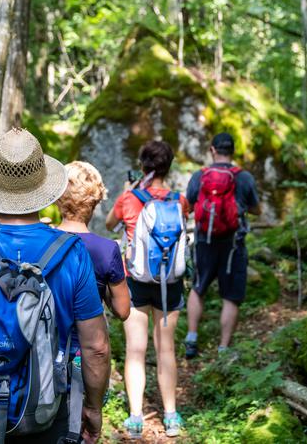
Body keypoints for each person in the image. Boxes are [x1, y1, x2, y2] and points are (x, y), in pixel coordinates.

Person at [0, 128, 110, 444]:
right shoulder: (72, 252)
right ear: (45, 185)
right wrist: (93, 409)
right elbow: (96, 346)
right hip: (47, 412)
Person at [105, 141, 189, 439]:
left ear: (143, 166)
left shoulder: (129, 198)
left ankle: (136, 418)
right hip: (171, 283)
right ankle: (171, 416)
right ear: (169, 166)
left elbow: (109, 223)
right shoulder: (179, 200)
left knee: (135, 350)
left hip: (136, 281)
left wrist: (129, 189)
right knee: (166, 348)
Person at [184, 132, 261, 359]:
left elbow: (188, 205)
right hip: (233, 246)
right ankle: (223, 349)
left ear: (212, 150)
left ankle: (191, 338)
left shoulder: (200, 176)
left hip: (203, 242)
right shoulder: (244, 178)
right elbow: (257, 209)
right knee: (231, 296)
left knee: (198, 288)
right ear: (233, 152)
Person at [57, 161, 131, 321]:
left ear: (58, 198)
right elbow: (123, 311)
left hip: (44, 339)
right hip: (87, 340)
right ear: (96, 200)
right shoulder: (107, 249)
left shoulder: (41, 239)